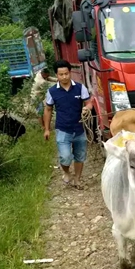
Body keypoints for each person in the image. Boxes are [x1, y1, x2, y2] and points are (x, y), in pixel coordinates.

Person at [43, 60, 93, 190]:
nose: (64, 77)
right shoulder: (52, 91)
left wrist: (87, 108)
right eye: (61, 74)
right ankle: (66, 171)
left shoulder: (80, 88)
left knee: (80, 156)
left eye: (66, 73)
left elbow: (89, 102)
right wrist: (47, 129)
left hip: (79, 129)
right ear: (56, 75)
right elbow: (48, 109)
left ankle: (77, 179)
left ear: (70, 73)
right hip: (63, 129)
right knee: (65, 157)